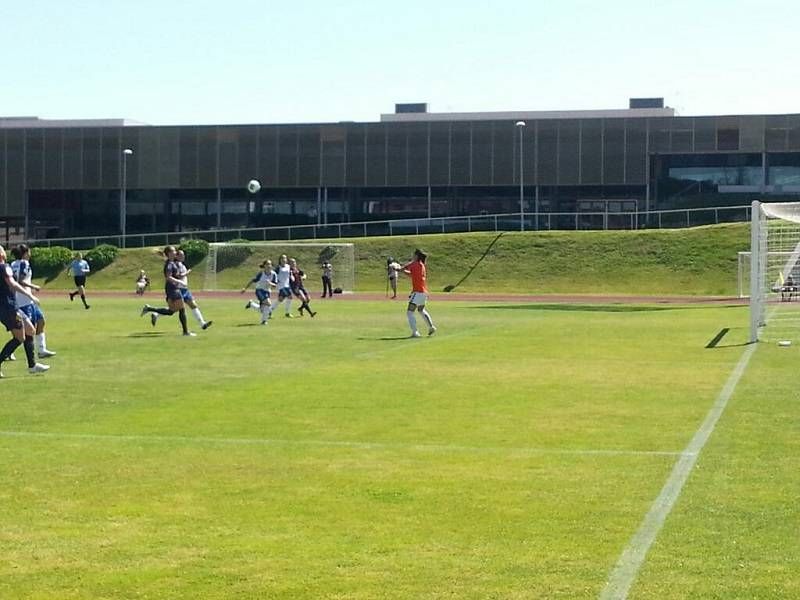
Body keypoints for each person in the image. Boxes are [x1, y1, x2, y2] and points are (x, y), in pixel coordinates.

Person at [0, 244, 50, 377]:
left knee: (29, 331)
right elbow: (14, 283)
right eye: (3, 250)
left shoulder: (8, 266)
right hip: (8, 307)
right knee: (20, 337)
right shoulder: (4, 267)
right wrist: (30, 295)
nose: (5, 252)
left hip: (10, 306)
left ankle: (32, 365)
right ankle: (31, 365)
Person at [11, 244, 56, 359]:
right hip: (24, 300)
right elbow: (20, 281)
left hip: (24, 300)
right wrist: (33, 286)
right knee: (28, 331)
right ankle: (14, 352)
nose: (30, 254)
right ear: (25, 253)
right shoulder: (24, 263)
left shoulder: (13, 264)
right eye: (29, 252)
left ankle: (41, 349)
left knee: (40, 320)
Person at [140, 245, 195, 337]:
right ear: (169, 254)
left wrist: (183, 276)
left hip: (173, 288)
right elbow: (168, 277)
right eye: (173, 251)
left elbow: (176, 275)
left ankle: (149, 308)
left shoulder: (172, 263)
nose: (175, 252)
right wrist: (180, 282)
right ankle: (185, 332)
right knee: (181, 309)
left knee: (171, 311)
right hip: (172, 289)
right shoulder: (169, 264)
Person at [150, 249, 212, 330]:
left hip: (185, 289)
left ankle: (202, 323)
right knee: (174, 310)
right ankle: (156, 313)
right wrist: (187, 273)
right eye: (181, 255)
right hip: (179, 289)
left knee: (193, 305)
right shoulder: (175, 264)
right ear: (177, 256)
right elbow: (178, 276)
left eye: (183, 255)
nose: (183, 256)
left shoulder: (182, 265)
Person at [402, 249, 436, 338]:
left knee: (410, 312)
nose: (412, 256)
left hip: (418, 292)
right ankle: (431, 327)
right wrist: (401, 270)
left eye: (414, 255)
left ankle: (415, 332)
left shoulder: (415, 264)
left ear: (416, 256)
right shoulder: (421, 265)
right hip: (423, 292)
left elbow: (404, 268)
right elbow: (412, 275)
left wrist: (396, 268)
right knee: (421, 310)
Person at [242, 259, 277, 324]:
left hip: (267, 292)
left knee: (263, 309)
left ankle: (252, 304)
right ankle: (264, 320)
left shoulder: (274, 274)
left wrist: (270, 283)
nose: (269, 266)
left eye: (270, 264)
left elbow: (275, 285)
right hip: (259, 290)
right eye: (267, 264)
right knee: (268, 303)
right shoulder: (261, 274)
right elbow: (253, 280)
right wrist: (245, 288)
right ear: (264, 266)